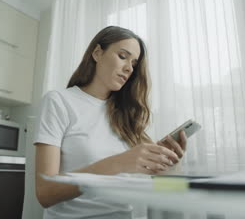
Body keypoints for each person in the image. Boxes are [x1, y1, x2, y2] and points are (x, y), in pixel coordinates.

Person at [34, 26, 187, 219]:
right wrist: (118, 163)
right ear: (97, 53)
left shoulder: (128, 117)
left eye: (133, 63)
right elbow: (44, 193)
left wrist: (171, 167)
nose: (129, 68)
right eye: (123, 56)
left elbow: (168, 191)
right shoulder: (59, 101)